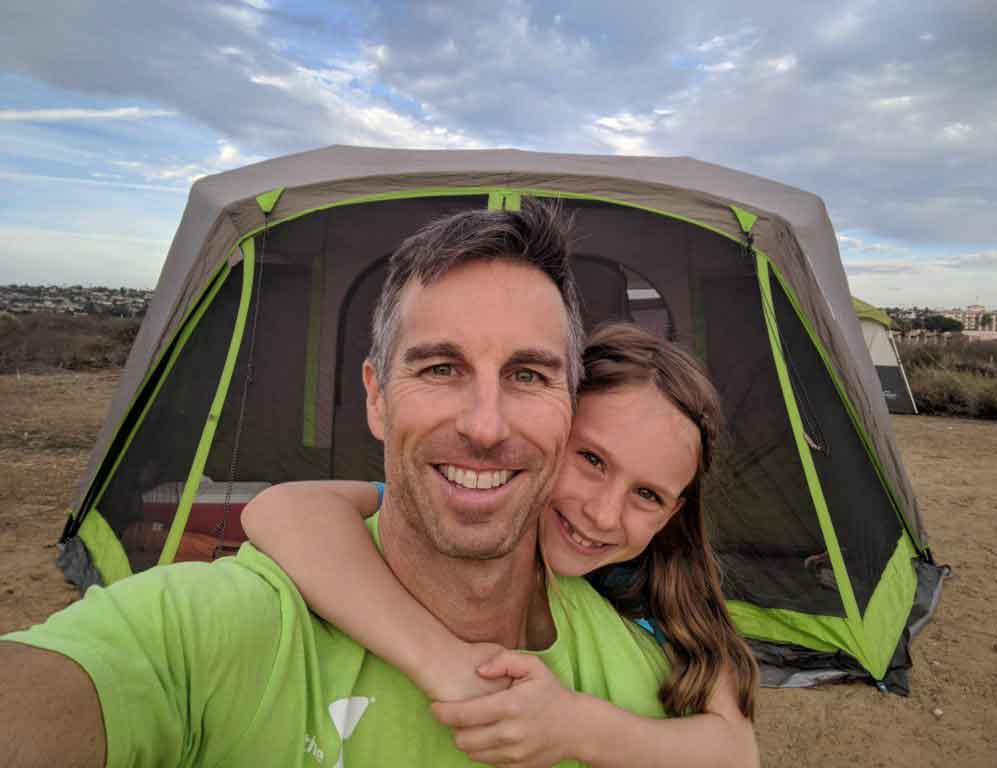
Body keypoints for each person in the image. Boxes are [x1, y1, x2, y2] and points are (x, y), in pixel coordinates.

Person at [0, 201, 702, 767]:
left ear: (569, 407)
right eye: (439, 368)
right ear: (375, 395)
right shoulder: (209, 628)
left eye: (528, 374)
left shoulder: (645, 678)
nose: (486, 427)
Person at [243, 322, 759, 767]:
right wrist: (444, 662)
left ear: (673, 512)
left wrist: (574, 726)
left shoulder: (662, 587)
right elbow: (281, 509)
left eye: (646, 494)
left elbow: (737, 751)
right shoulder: (478, 514)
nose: (603, 514)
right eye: (592, 461)